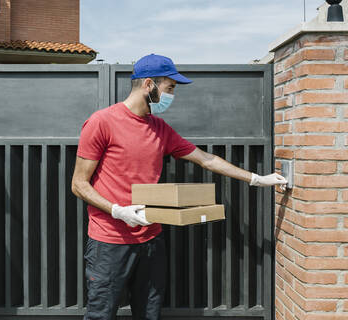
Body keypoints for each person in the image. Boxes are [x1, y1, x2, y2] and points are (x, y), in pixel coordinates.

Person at [71, 53, 287, 320]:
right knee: (100, 315)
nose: (172, 96)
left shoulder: (160, 128)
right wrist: (117, 210)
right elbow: (79, 184)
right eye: (170, 88)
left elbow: (206, 159)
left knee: (149, 314)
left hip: (151, 238)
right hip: (109, 241)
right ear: (149, 84)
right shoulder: (102, 122)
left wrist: (257, 178)